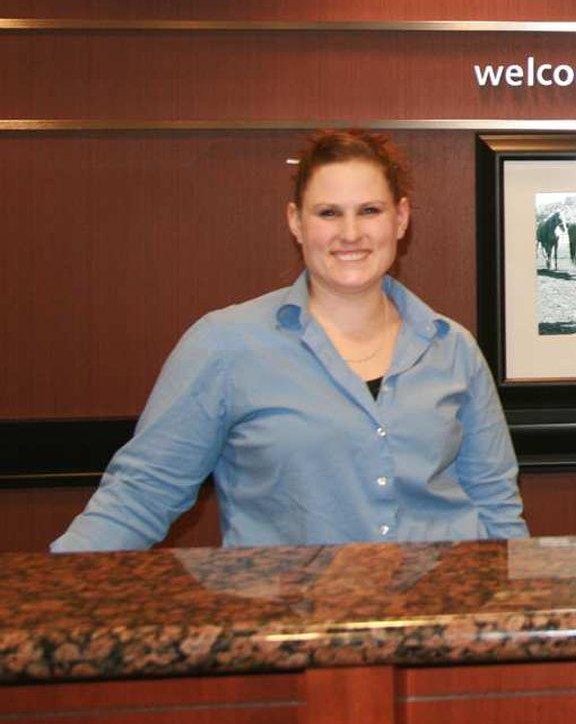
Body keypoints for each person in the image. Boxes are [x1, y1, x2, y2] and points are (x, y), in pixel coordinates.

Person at [53, 129, 526, 550]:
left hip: (441, 629)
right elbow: (140, 495)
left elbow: (496, 505)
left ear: (400, 220)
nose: (350, 233)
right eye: (327, 213)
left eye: (369, 210)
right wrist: (49, 597)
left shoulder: (452, 347)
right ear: (296, 222)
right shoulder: (225, 346)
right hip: (294, 636)